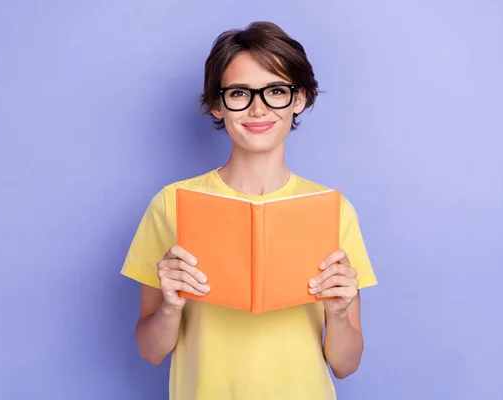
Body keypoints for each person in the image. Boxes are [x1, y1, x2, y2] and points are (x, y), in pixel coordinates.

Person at [121, 21, 377, 400]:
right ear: (216, 104)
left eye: (276, 91)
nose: (258, 109)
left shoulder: (334, 211)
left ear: (300, 99)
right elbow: (150, 350)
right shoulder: (171, 204)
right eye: (239, 93)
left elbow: (346, 364)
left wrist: (338, 314)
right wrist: (171, 307)